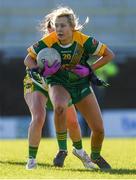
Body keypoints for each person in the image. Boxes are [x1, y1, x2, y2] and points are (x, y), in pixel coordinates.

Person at [26, 6, 115, 170]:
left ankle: (95, 156)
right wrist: (38, 71)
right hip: (58, 82)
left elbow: (109, 54)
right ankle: (62, 150)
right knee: (59, 107)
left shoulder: (83, 40)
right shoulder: (49, 41)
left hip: (80, 84)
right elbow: (28, 59)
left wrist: (90, 69)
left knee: (99, 129)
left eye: (63, 25)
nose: (58, 29)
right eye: (56, 25)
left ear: (72, 27)